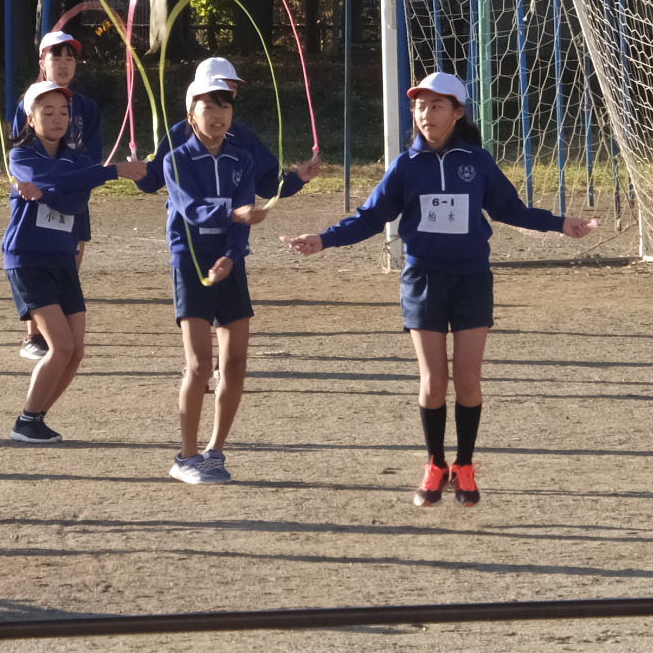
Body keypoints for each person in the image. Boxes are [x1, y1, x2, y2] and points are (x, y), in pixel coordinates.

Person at [284, 72, 593, 507]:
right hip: (423, 279)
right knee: (433, 380)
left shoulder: (478, 161)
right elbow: (371, 217)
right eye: (420, 106)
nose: (426, 114)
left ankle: (464, 465)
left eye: (437, 106)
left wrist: (562, 224)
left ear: (458, 112)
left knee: (467, 378)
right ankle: (434, 464)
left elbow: (511, 209)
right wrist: (324, 239)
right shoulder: (405, 166)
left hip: (471, 279)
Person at [4, 80, 147, 442]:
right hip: (27, 259)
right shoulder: (20, 157)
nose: (57, 118)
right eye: (47, 112)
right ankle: (25, 419)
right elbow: (50, 178)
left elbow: (71, 202)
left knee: (77, 351)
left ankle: (34, 419)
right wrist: (110, 171)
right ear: (30, 120)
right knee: (61, 346)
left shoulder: (79, 160)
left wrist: (51, 192)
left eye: (64, 112)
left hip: (64, 258)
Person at [161, 77, 267, 484]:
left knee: (235, 364)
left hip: (229, 263)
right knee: (199, 364)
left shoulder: (242, 159)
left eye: (225, 107)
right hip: (190, 262)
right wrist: (235, 215)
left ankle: (215, 450)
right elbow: (190, 208)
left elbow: (244, 218)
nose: (218, 114)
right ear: (191, 116)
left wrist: (231, 255)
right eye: (209, 107)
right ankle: (185, 457)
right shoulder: (177, 159)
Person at [11, 31, 99, 361]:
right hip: (37, 191)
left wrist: (82, 179)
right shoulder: (29, 103)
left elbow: (94, 150)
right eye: (56, 57)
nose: (63, 64)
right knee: (35, 254)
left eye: (70, 58)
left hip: (75, 190)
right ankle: (33, 334)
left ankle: (55, 324)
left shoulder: (86, 107)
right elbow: (19, 146)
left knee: (73, 252)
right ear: (42, 63)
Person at [136, 57, 322, 207]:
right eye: (222, 86)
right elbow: (153, 181)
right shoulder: (179, 134)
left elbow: (267, 184)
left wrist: (298, 178)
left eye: (232, 88)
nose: (228, 93)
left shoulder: (242, 136)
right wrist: (139, 174)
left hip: (232, 233)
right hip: (186, 237)